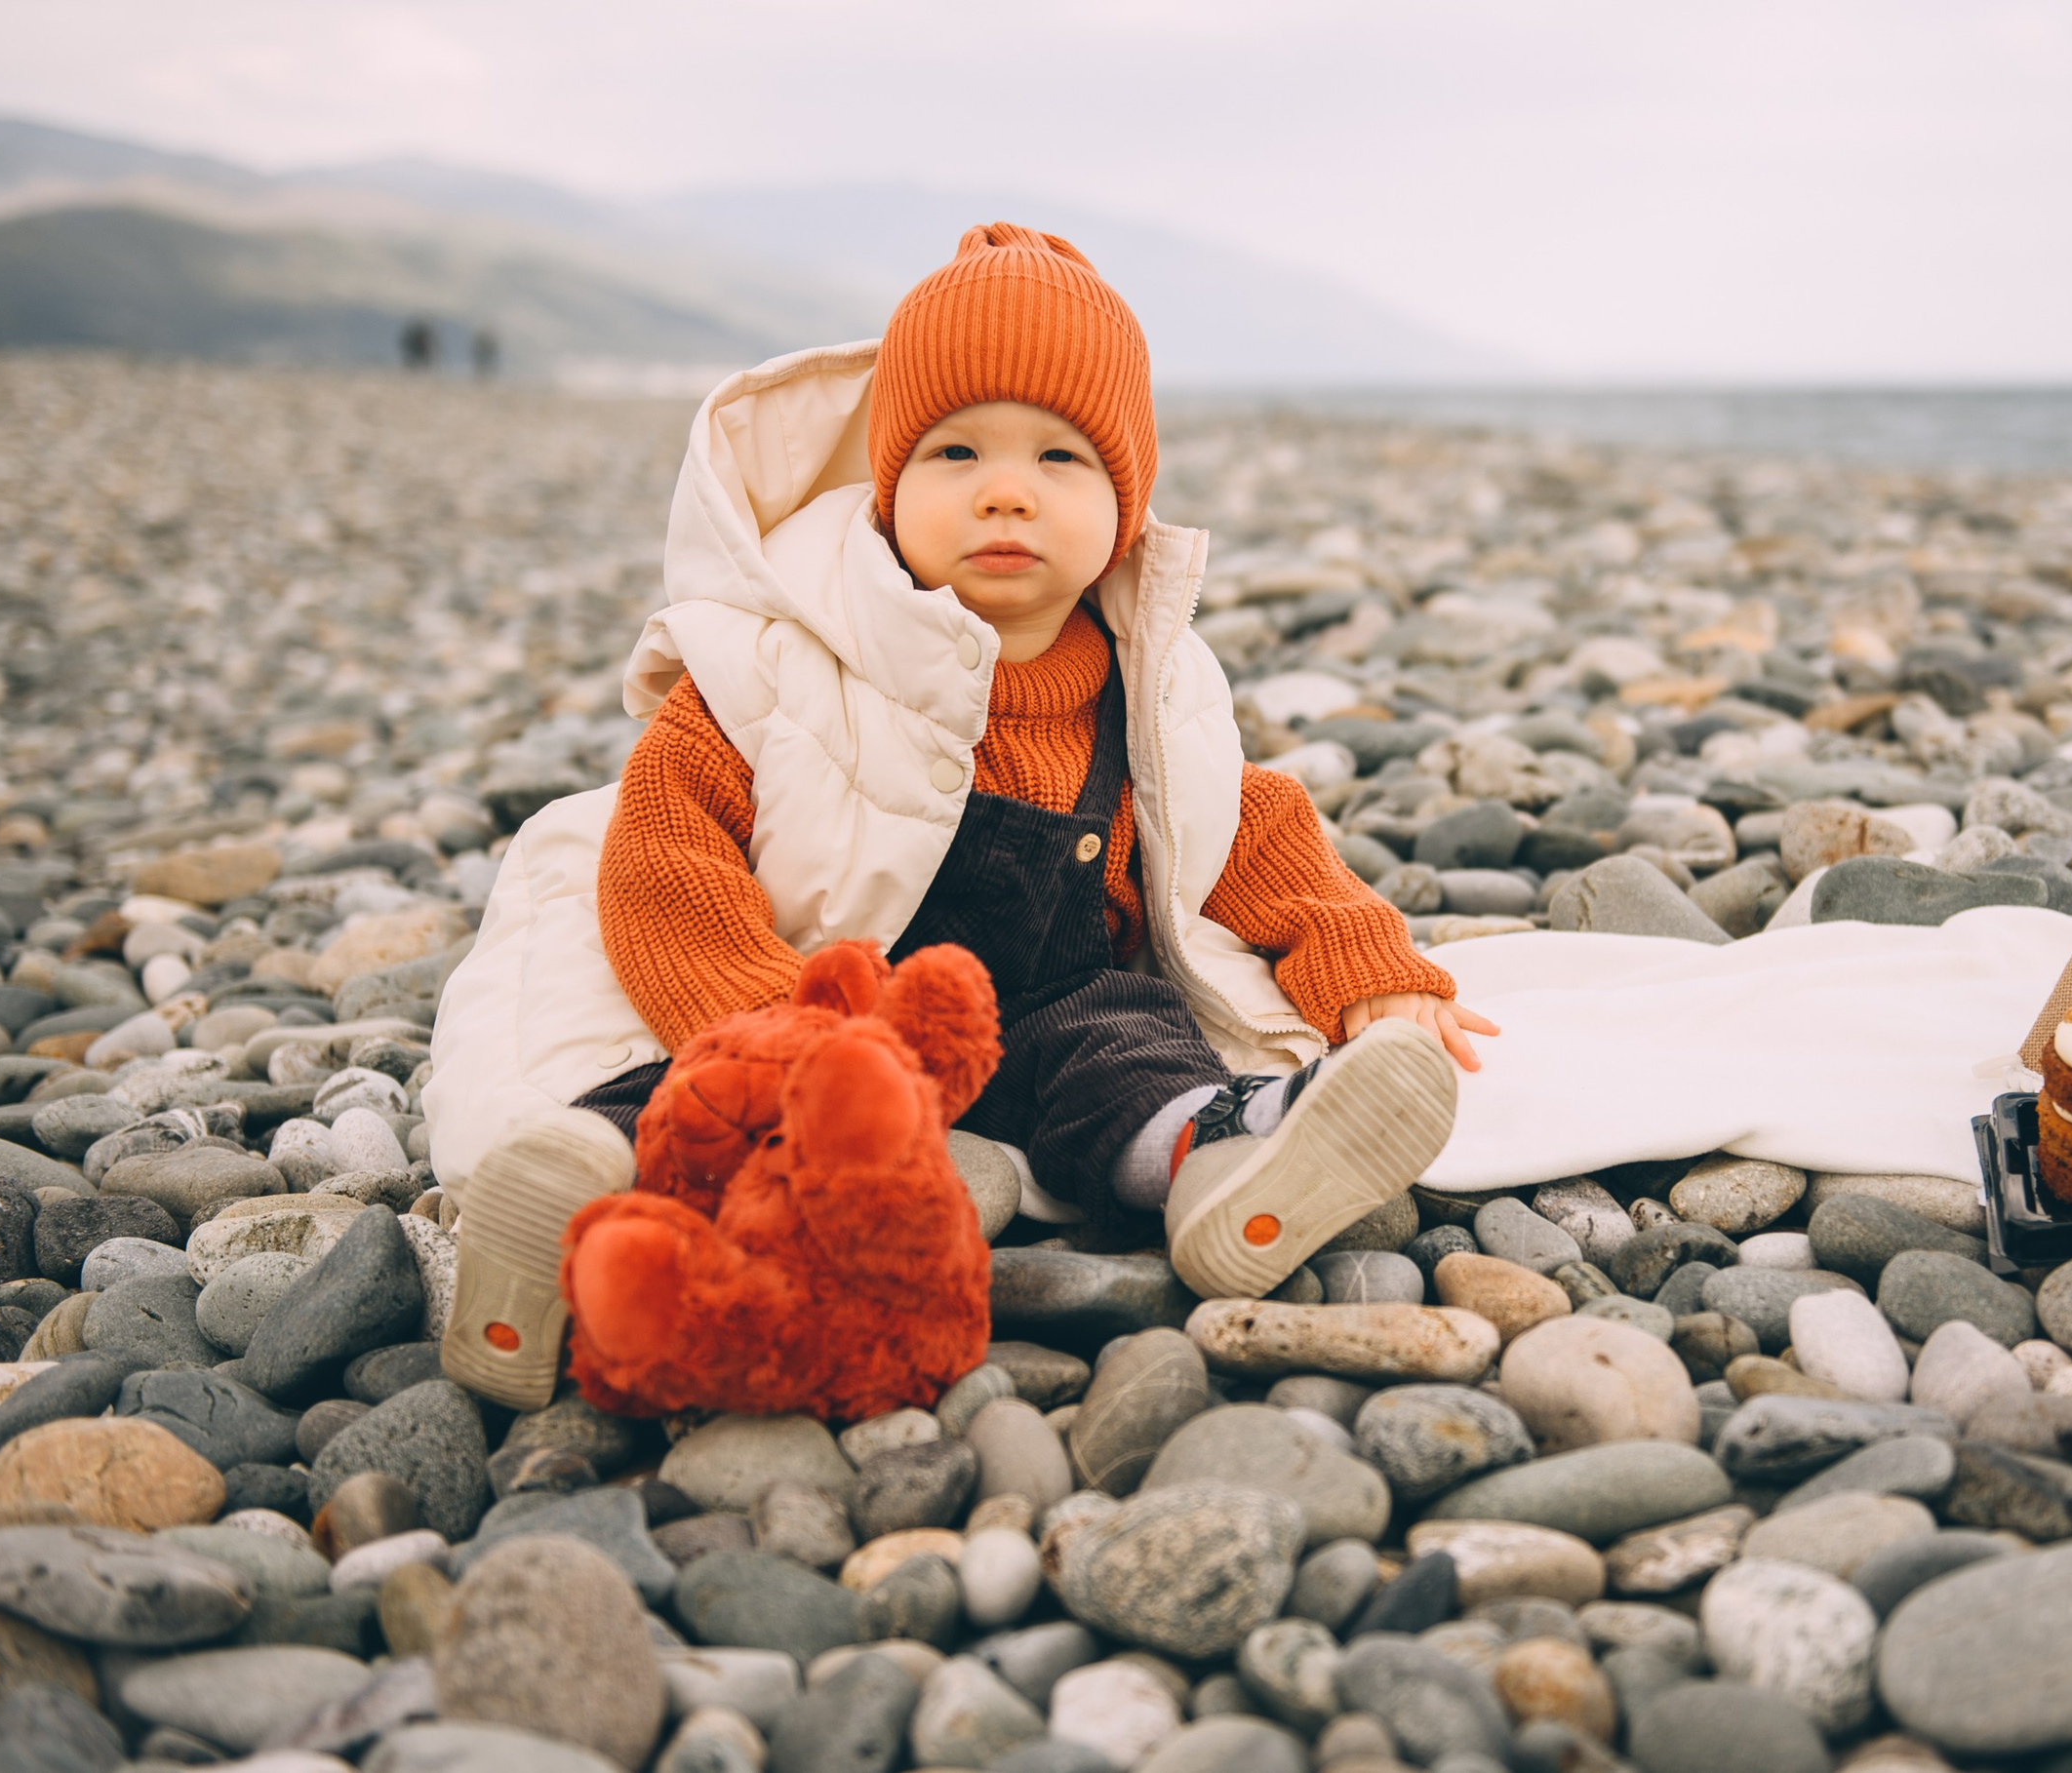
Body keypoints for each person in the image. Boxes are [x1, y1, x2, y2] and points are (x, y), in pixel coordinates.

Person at [425, 223, 1494, 1409]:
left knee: (1130, 1045)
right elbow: (663, 848)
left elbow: (1246, 826)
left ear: (1127, 509)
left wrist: (1360, 959)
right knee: (707, 1096)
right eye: (954, 452)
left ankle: (1225, 1168)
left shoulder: (1146, 688)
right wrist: (767, 1016)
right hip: (831, 998)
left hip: (1045, 1010)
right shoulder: (784, 665)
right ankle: (571, 1188)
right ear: (886, 491)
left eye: (1060, 458)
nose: (1004, 490)